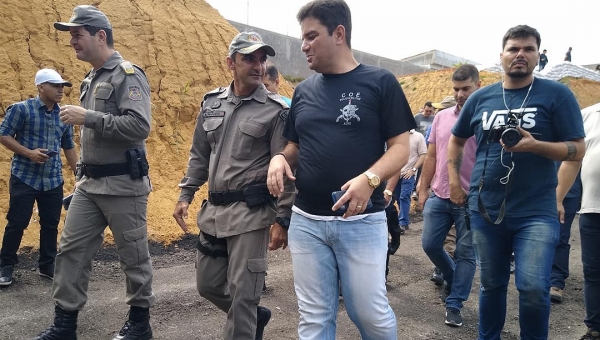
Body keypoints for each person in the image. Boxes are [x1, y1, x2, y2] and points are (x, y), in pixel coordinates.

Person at [267, 1, 416, 338]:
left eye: (311, 36)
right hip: (307, 222)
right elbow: (295, 147)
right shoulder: (304, 91)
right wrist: (279, 158)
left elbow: (400, 148)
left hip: (361, 222)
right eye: (302, 37)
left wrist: (370, 179)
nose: (303, 45)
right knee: (314, 318)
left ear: (338, 33)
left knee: (369, 314)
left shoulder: (380, 82)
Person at [447, 25, 585, 340]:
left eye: (528, 49)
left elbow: (578, 148)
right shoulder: (482, 97)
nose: (520, 54)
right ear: (502, 56)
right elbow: (456, 141)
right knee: (492, 284)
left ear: (538, 55)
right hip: (486, 209)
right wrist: (455, 182)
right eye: (513, 49)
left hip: (537, 210)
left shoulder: (557, 95)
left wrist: (536, 147)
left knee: (534, 287)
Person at [35, 5, 156, 340]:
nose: (72, 41)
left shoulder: (127, 75)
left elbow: (139, 126)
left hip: (123, 184)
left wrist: (88, 117)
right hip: (90, 185)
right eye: (71, 35)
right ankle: (64, 326)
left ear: (100, 36)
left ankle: (139, 325)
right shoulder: (92, 77)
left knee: (133, 257)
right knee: (71, 251)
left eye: (77, 34)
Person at [172, 31, 293, 340]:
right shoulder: (212, 104)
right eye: (249, 58)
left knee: (243, 297)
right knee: (208, 284)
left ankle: (246, 318)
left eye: (262, 59)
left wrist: (282, 218)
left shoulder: (275, 110)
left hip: (251, 215)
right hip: (214, 212)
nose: (258, 66)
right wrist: (186, 193)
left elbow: (288, 167)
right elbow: (199, 154)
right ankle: (253, 318)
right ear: (231, 63)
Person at [0, 69, 78, 287]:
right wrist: (28, 153)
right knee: (17, 222)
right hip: (25, 177)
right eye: (55, 85)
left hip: (53, 179)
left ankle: (47, 265)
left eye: (62, 85)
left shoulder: (64, 114)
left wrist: (79, 172)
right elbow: (3, 134)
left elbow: (68, 146)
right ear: (41, 87)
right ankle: (5, 265)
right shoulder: (21, 109)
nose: (61, 89)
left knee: (51, 223)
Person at [418, 64, 479, 327]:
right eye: (456, 89)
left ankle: (455, 304)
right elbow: (431, 155)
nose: (460, 94)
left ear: (478, 86)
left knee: (466, 253)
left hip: (471, 199)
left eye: (466, 88)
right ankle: (452, 276)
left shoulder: (485, 117)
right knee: (430, 244)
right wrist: (423, 187)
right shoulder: (442, 117)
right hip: (440, 194)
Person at [578, 103, 600, 340]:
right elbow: (572, 156)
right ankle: (594, 328)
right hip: (592, 209)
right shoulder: (588, 114)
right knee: (593, 271)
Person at [550, 167, 581, 303]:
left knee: (560, 236)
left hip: (570, 190)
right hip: (541, 188)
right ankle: (537, 277)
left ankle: (556, 281)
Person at [391, 129, 426, 233]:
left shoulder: (418, 136)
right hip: (396, 172)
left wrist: (413, 169)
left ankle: (402, 223)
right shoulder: (396, 134)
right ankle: (401, 221)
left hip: (409, 173)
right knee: (397, 197)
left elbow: (423, 154)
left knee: (404, 196)